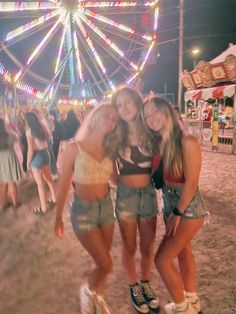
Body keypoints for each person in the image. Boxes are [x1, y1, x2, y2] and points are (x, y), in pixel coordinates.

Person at [142, 95, 208, 314]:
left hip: (186, 207)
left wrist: (177, 213)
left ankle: (183, 309)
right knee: (183, 252)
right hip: (169, 203)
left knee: (162, 260)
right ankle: (192, 301)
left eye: (155, 111)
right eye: (147, 116)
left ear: (167, 110)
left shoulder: (187, 141)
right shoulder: (159, 142)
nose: (151, 118)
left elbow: (192, 183)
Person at [54, 103, 119, 314]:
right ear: (94, 117)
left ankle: (97, 297)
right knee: (106, 264)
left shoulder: (110, 149)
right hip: (83, 211)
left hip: (106, 209)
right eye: (106, 116)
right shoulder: (74, 148)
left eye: (114, 119)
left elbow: (116, 180)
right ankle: (87, 290)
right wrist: (58, 217)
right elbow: (63, 184)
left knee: (102, 260)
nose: (110, 121)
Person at [111, 87, 159, 314]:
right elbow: (111, 172)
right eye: (119, 105)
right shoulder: (115, 136)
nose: (124, 108)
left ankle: (146, 283)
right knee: (129, 246)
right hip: (126, 197)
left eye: (128, 102)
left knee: (148, 246)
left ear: (137, 102)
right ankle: (134, 287)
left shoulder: (151, 130)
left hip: (148, 194)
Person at [25, 111, 56, 214]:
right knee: (49, 179)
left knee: (40, 185)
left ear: (28, 121)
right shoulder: (42, 128)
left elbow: (30, 150)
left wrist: (28, 164)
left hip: (37, 156)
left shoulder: (29, 131)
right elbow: (49, 139)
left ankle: (43, 208)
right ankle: (54, 198)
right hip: (45, 153)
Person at [0, 118, 22, 210]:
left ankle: (3, 204)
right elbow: (18, 137)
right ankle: (15, 203)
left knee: (2, 183)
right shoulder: (10, 135)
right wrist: (13, 128)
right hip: (9, 157)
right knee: (11, 181)